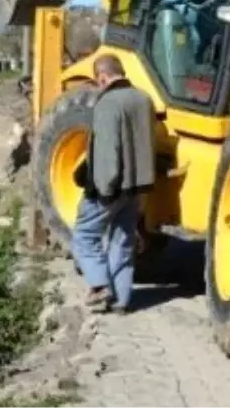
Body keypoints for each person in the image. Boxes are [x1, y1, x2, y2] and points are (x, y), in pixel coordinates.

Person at [72, 54, 157, 313]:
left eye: (98, 82)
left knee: (84, 234)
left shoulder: (108, 103)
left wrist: (105, 189)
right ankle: (121, 300)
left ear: (103, 77)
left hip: (111, 187)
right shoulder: (144, 99)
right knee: (122, 239)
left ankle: (100, 286)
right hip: (138, 186)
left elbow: (109, 149)